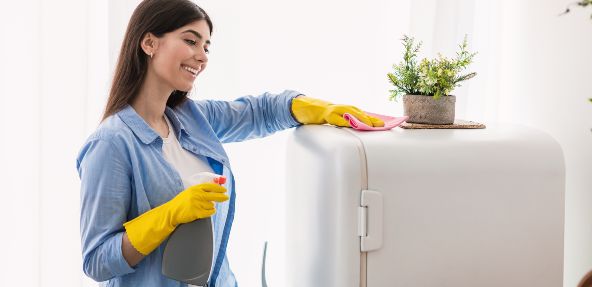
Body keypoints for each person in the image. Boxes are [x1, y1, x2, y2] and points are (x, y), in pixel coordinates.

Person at [76, 0, 383, 286]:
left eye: (206, 46)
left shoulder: (191, 119)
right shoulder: (111, 144)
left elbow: (259, 112)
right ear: (149, 43)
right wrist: (169, 215)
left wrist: (316, 109)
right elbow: (97, 260)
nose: (202, 56)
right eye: (191, 40)